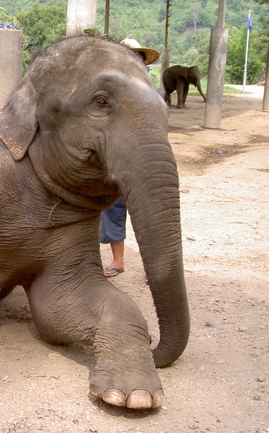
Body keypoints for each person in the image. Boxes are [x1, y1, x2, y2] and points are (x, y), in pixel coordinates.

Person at [100, 39, 160, 278]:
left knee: (150, 215)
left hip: (145, 162)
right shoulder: (109, 90)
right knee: (113, 209)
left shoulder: (151, 92)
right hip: (118, 160)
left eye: (138, 57)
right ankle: (118, 260)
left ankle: (157, 271)